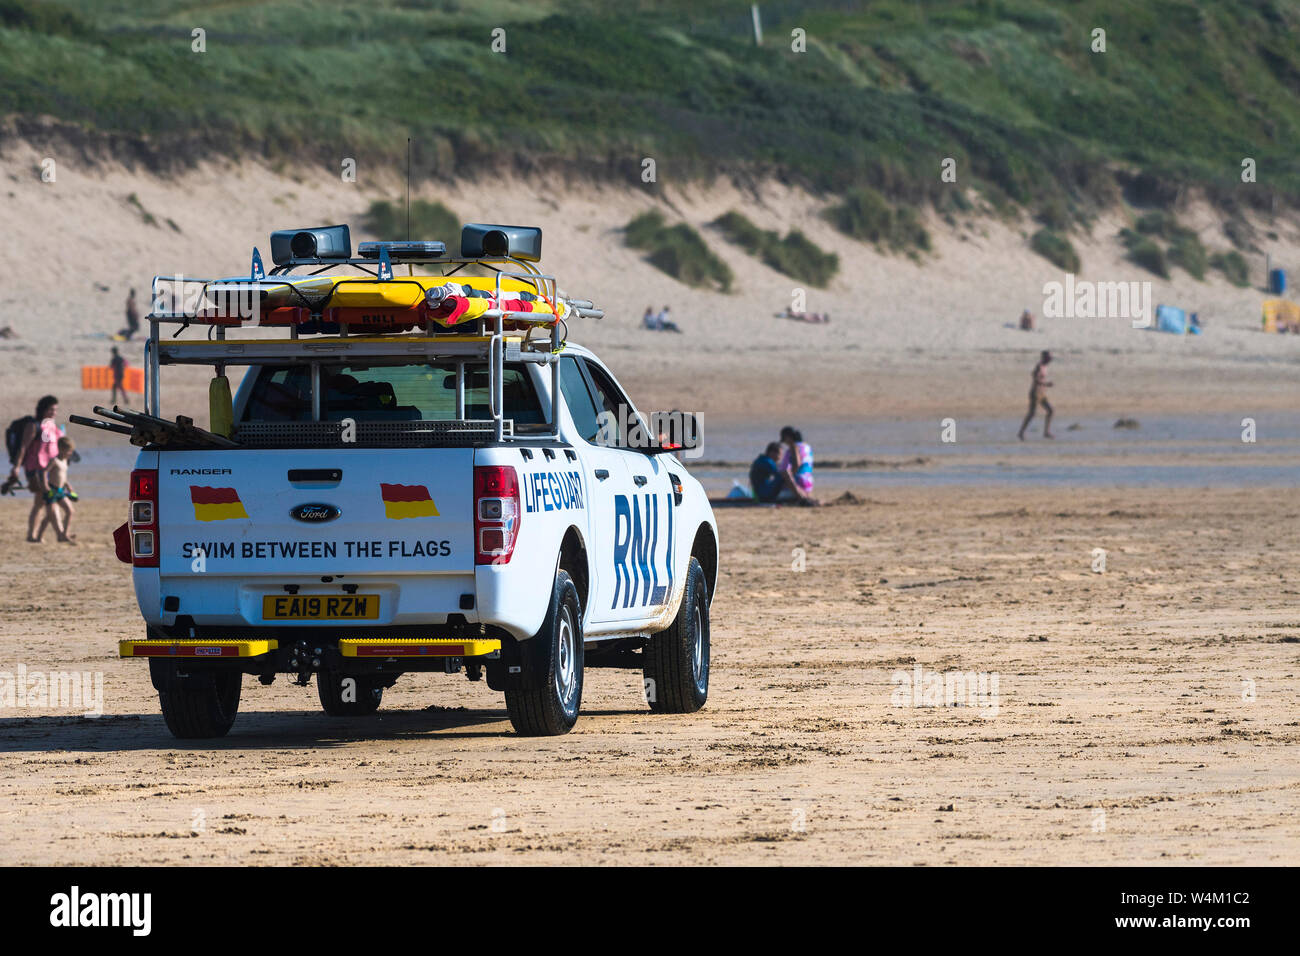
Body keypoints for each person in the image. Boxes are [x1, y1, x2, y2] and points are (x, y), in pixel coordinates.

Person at [9, 395, 61, 542]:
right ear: (43, 409)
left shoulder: (51, 424)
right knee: (45, 500)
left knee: (40, 502)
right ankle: (55, 534)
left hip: (49, 469)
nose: (54, 412)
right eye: (51, 409)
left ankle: (34, 535)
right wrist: (16, 467)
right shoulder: (33, 425)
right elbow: (23, 447)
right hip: (35, 469)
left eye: (55, 409)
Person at [42, 436, 78, 544]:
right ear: (61, 449)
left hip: (61, 490)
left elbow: (63, 476)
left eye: (71, 451)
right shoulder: (54, 460)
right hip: (52, 490)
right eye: (69, 451)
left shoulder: (65, 461)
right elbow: (44, 472)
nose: (70, 453)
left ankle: (64, 534)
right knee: (50, 515)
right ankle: (41, 536)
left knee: (70, 511)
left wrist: (68, 486)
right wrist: (46, 487)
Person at [1018, 350, 1055, 440]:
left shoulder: (1045, 366)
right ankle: (1021, 432)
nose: (1050, 360)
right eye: (1048, 358)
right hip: (1035, 393)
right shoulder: (1039, 366)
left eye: (1050, 358)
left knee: (1050, 411)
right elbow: (1035, 378)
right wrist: (1046, 384)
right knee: (1032, 414)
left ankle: (1046, 432)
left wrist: (1045, 386)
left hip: (1042, 393)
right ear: (1044, 358)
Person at [778, 426, 819, 506]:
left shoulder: (793, 448)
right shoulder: (807, 447)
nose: (785, 443)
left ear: (788, 437)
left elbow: (796, 464)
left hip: (798, 484)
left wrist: (788, 478)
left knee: (778, 495)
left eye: (784, 440)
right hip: (808, 484)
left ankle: (801, 499)